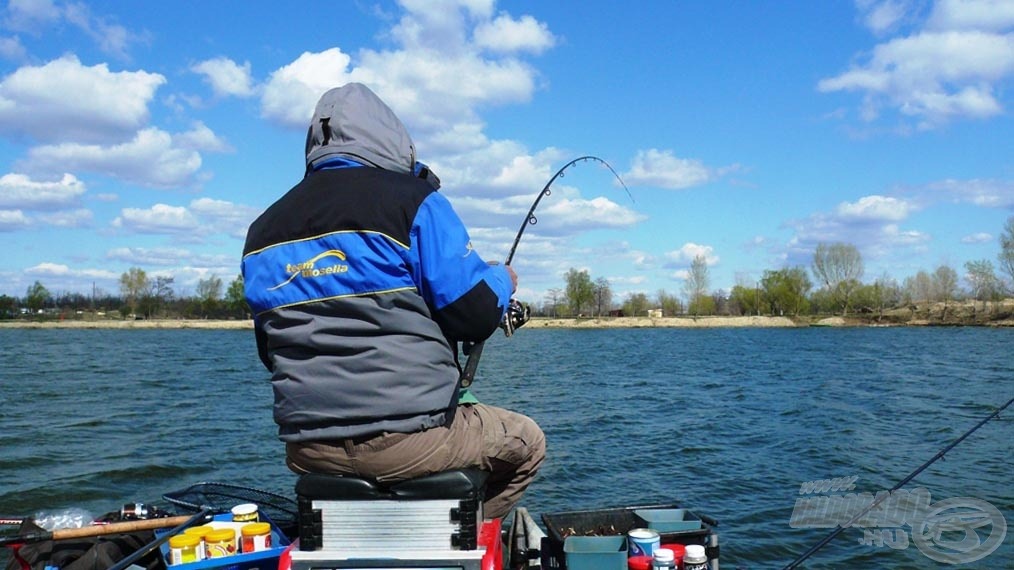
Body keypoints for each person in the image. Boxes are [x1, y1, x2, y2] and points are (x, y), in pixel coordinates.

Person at [241, 82, 545, 519]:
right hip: (408, 441)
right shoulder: (413, 201)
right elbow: (475, 314)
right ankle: (463, 543)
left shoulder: (262, 230)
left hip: (306, 450)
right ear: (393, 139)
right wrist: (501, 279)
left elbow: (270, 352)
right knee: (526, 442)